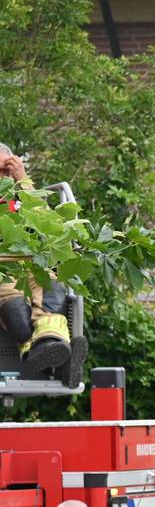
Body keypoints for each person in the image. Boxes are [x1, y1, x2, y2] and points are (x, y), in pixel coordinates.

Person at [0, 142, 85, 385]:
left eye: (8, 170)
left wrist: (23, 179)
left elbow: (50, 225)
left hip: (33, 263)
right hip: (3, 270)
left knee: (53, 294)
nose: (4, 177)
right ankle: (62, 366)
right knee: (17, 313)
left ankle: (53, 354)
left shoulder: (22, 194)